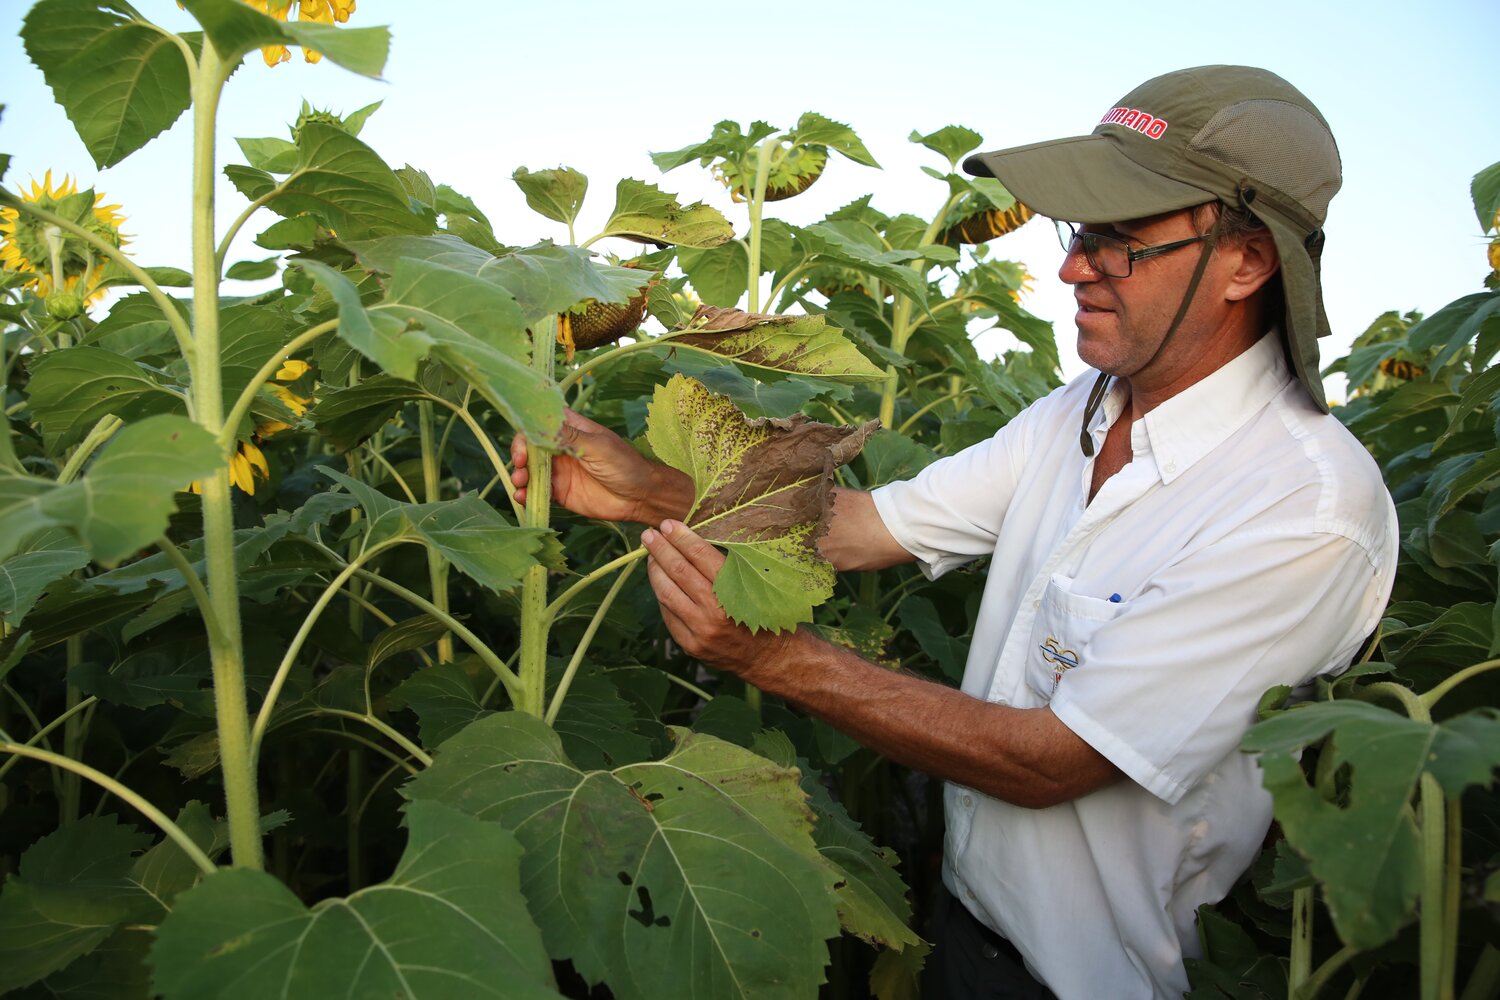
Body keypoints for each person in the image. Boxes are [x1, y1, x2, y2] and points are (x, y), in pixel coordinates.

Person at [512, 65, 1399, 1000]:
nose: (1070, 267)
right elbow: (858, 527)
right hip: (959, 927)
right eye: (1078, 233)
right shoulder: (1078, 412)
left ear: (1248, 261)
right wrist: (650, 489)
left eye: (1119, 241)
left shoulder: (1302, 510)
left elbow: (1053, 762)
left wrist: (773, 659)